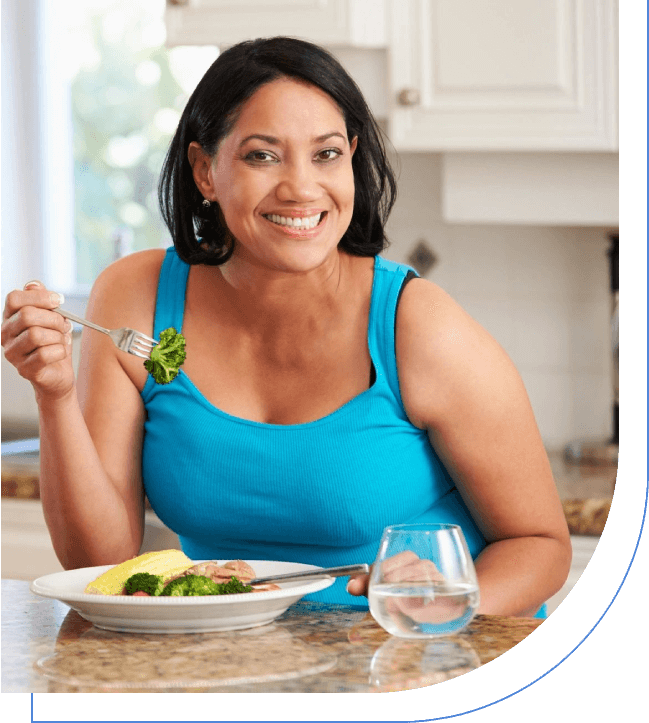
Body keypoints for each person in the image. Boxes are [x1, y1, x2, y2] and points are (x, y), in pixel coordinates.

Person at [1, 37, 570, 615]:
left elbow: (541, 546)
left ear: (351, 158)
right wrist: (55, 393)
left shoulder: (415, 325)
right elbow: (98, 558)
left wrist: (439, 607)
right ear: (204, 170)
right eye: (262, 156)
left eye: (326, 154)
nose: (300, 187)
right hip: (235, 665)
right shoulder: (135, 296)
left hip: (413, 664)